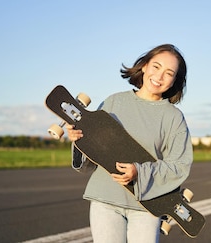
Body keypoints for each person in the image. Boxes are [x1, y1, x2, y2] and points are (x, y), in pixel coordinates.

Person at [65, 44, 193, 243]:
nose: (159, 77)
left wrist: (139, 172)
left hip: (146, 206)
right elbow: (91, 159)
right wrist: (79, 140)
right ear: (144, 66)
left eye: (169, 73)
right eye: (156, 67)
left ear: (175, 80)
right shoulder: (114, 102)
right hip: (105, 200)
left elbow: (179, 166)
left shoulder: (173, 118)